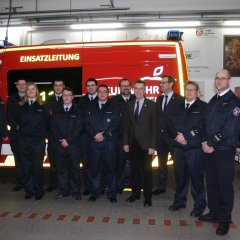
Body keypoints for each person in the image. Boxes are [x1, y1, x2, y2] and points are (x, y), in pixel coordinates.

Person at [199, 69, 240, 236]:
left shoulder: (234, 102)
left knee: (224, 185)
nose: (219, 81)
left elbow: (229, 129)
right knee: (212, 182)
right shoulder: (214, 100)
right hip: (209, 149)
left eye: (223, 78)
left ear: (229, 80)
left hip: (224, 150)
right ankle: (214, 212)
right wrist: (203, 141)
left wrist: (210, 142)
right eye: (217, 78)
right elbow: (205, 123)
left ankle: (224, 219)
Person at [166, 81, 207, 217]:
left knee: (196, 178)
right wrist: (176, 137)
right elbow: (169, 124)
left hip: (194, 149)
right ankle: (179, 202)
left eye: (192, 90)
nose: (189, 92)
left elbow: (202, 127)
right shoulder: (177, 106)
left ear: (197, 92)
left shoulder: (203, 107)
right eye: (187, 90)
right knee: (180, 177)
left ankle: (199, 206)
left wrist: (186, 136)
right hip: (178, 148)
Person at [123, 80, 157, 206]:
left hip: (146, 145)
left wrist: (153, 146)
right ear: (133, 90)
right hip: (133, 144)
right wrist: (125, 142)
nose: (138, 91)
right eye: (136, 88)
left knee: (147, 172)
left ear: (145, 90)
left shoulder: (152, 105)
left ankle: (148, 198)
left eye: (141, 88)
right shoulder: (129, 105)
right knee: (134, 171)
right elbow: (126, 126)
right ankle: (135, 194)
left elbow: (155, 127)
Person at [86, 84, 121, 203]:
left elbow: (116, 124)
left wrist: (104, 135)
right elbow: (86, 124)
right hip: (94, 143)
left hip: (109, 143)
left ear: (108, 93)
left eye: (104, 92)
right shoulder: (90, 106)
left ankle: (111, 193)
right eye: (99, 91)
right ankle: (95, 192)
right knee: (95, 169)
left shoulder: (115, 106)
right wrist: (94, 134)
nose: (101, 93)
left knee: (111, 169)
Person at [153, 75, 184, 195]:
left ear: (171, 84)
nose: (161, 85)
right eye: (161, 83)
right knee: (162, 164)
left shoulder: (180, 99)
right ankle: (161, 187)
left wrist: (178, 134)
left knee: (178, 165)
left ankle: (179, 189)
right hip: (160, 139)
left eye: (163, 83)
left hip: (173, 138)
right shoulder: (159, 99)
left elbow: (181, 119)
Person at [18, 82, 48, 200]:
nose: (30, 91)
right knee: (26, 167)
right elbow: (16, 122)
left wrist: (39, 134)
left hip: (38, 142)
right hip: (24, 141)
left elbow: (47, 123)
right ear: (26, 91)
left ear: (36, 91)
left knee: (37, 167)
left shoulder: (42, 106)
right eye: (28, 89)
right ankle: (29, 191)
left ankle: (38, 191)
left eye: (33, 89)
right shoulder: (21, 105)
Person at [51, 87, 82, 200]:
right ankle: (63, 191)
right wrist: (61, 140)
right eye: (64, 95)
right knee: (61, 170)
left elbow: (79, 128)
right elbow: (53, 128)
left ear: (73, 97)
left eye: (69, 95)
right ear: (62, 97)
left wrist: (68, 140)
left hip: (73, 146)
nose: (67, 97)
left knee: (74, 170)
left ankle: (75, 192)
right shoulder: (57, 111)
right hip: (60, 146)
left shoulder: (78, 111)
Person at [111, 79, 135, 194]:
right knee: (119, 163)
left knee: (135, 163)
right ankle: (119, 186)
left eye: (127, 86)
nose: (125, 88)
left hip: (134, 138)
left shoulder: (137, 99)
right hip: (119, 138)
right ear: (119, 87)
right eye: (123, 86)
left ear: (131, 86)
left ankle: (134, 186)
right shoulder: (114, 101)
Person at [77, 77, 98, 196]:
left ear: (96, 86)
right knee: (86, 163)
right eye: (88, 85)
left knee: (98, 162)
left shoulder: (101, 99)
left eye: (92, 85)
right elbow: (80, 118)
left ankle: (98, 186)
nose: (90, 87)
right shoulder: (82, 100)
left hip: (98, 137)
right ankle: (88, 187)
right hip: (85, 137)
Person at [6, 78, 27, 191]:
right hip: (16, 134)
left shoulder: (30, 97)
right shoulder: (11, 99)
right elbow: (8, 116)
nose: (22, 86)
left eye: (24, 84)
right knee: (18, 159)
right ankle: (20, 183)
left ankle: (29, 182)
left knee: (28, 159)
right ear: (17, 86)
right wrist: (15, 125)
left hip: (27, 134)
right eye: (20, 84)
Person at [45, 79, 65, 192]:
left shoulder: (68, 98)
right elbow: (46, 118)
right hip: (52, 137)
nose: (58, 87)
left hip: (65, 137)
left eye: (60, 85)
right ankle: (53, 184)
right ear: (53, 87)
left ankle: (64, 184)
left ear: (63, 86)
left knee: (64, 162)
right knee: (53, 162)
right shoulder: (48, 101)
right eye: (56, 85)